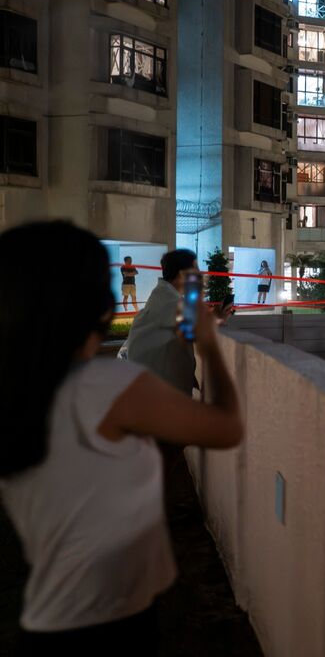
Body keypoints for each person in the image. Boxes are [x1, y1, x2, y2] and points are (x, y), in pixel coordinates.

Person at [0, 221, 243, 653]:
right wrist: (209, 344)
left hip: (46, 619)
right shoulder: (108, 386)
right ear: (97, 305)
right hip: (111, 624)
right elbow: (226, 428)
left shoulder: (20, 392)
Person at [126, 250, 202, 395]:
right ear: (182, 274)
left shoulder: (164, 297)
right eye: (196, 269)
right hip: (158, 393)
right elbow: (202, 331)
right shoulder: (171, 303)